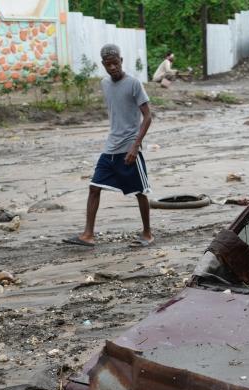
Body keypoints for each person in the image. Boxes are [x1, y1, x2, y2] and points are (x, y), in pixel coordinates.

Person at [63, 44, 154, 247]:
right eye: (108, 64)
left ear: (121, 61)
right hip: (110, 148)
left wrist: (135, 146)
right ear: (103, 64)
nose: (112, 67)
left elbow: (148, 116)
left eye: (115, 63)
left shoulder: (134, 84)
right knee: (94, 187)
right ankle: (88, 234)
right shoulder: (104, 84)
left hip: (129, 148)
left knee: (140, 192)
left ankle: (147, 233)